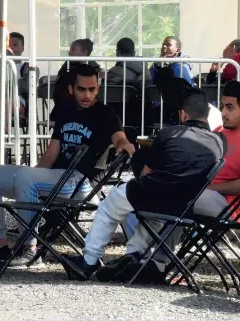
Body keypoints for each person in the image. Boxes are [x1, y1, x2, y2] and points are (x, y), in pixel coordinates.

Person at [0, 64, 135, 266]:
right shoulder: (65, 110)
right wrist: (30, 174)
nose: (87, 95)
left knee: (26, 177)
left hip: (83, 184)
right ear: (71, 89)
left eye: (92, 89)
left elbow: (119, 138)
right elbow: (51, 154)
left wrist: (125, 145)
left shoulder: (106, 115)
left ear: (98, 88)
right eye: (81, 89)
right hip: (54, 178)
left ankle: (29, 249)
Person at [64, 88, 225, 283]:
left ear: (183, 113)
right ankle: (135, 254)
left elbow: (146, 174)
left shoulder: (168, 134)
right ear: (207, 115)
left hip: (155, 192)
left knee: (110, 206)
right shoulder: (219, 142)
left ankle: (88, 260)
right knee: (153, 216)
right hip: (185, 203)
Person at [119, 81, 240, 281]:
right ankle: (136, 256)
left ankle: (154, 262)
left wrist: (208, 186)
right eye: (222, 106)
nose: (223, 111)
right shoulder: (219, 131)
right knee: (161, 192)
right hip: (198, 194)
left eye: (229, 107)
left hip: (225, 204)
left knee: (174, 192)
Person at [52, 38, 103, 120]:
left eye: (73, 50)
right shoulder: (67, 66)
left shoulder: (95, 68)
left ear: (84, 53)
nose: (69, 53)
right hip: (66, 108)